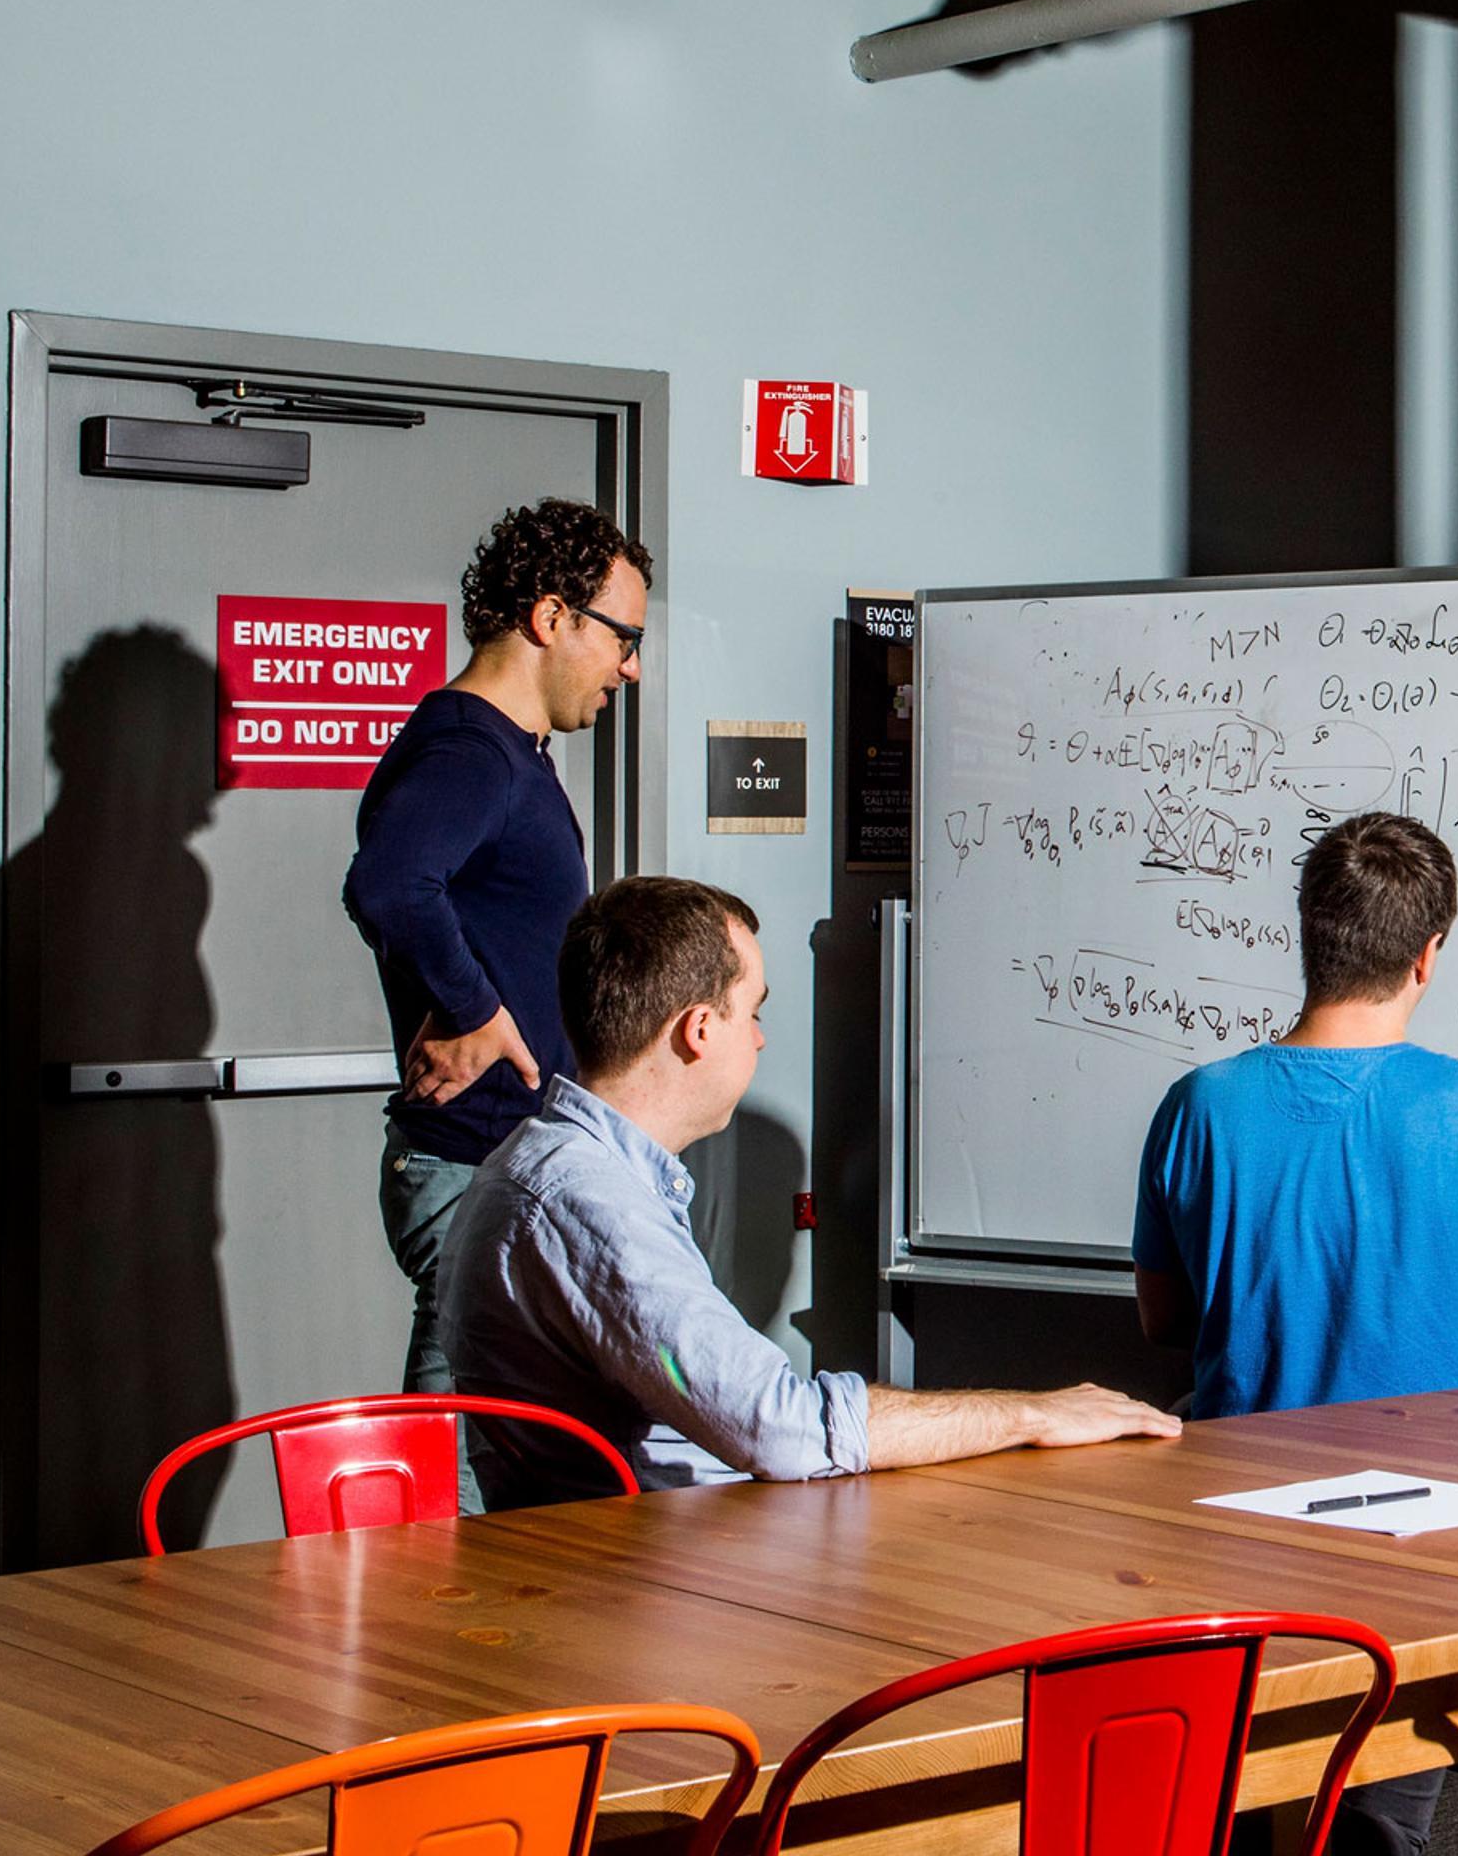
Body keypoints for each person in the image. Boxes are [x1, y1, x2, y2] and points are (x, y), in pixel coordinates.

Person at [1132, 810, 1458, 1856]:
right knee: (1379, 1814)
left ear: (1308, 930)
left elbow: (1166, 1319)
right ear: (1429, 953)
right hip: (1432, 1532)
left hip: (1235, 1515)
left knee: (1249, 1794)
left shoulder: (1198, 1105)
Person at [441, 875, 1180, 1505]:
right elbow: (777, 1426)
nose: (760, 1039)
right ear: (699, 1029)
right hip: (650, 1591)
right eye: (753, 1011)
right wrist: (1031, 1416)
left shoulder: (548, 1166)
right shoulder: (586, 1200)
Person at [343, 497, 650, 1410]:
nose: (630, 667)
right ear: (552, 618)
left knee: (508, 1467)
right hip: (472, 1170)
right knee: (461, 1485)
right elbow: (391, 884)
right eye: (622, 637)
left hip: (501, 1166)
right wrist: (476, 1011)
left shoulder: (507, 752)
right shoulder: (470, 751)